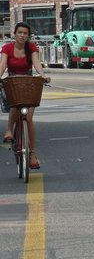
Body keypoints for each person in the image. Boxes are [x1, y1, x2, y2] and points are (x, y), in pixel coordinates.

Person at [1, 22, 51, 169]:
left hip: (28, 81)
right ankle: (9, 130)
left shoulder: (32, 47)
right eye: (20, 33)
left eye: (25, 33)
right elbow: (2, 65)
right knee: (15, 104)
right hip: (12, 81)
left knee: (28, 118)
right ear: (14, 34)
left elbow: (36, 63)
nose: (22, 35)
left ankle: (33, 154)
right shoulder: (7, 48)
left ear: (28, 36)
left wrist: (43, 76)